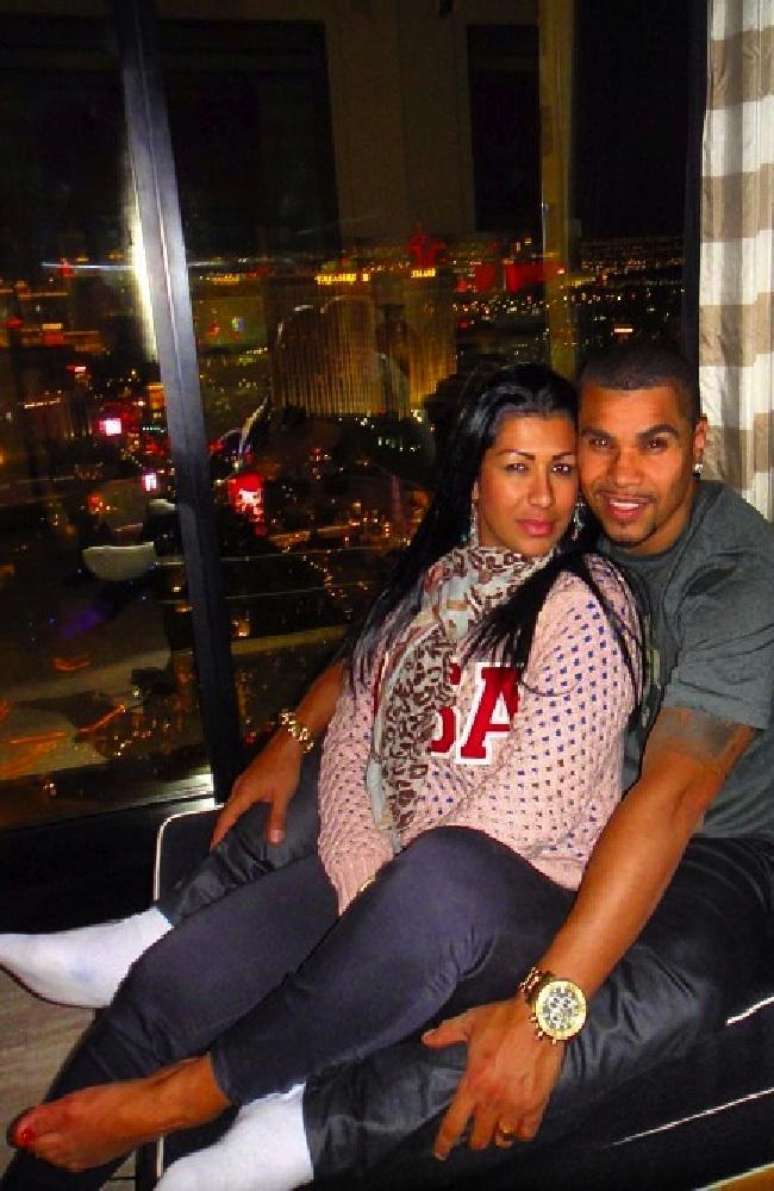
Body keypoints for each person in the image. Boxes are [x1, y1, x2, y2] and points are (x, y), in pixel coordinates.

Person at [0, 363, 642, 1190]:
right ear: (473, 477)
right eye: (517, 466)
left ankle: (191, 1094)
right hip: (390, 878)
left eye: (561, 468)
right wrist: (365, 878)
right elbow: (352, 747)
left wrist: (392, 894)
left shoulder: (588, 603)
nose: (544, 495)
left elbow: (533, 804)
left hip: (520, 906)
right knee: (170, 984)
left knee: (443, 874)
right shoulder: (427, 589)